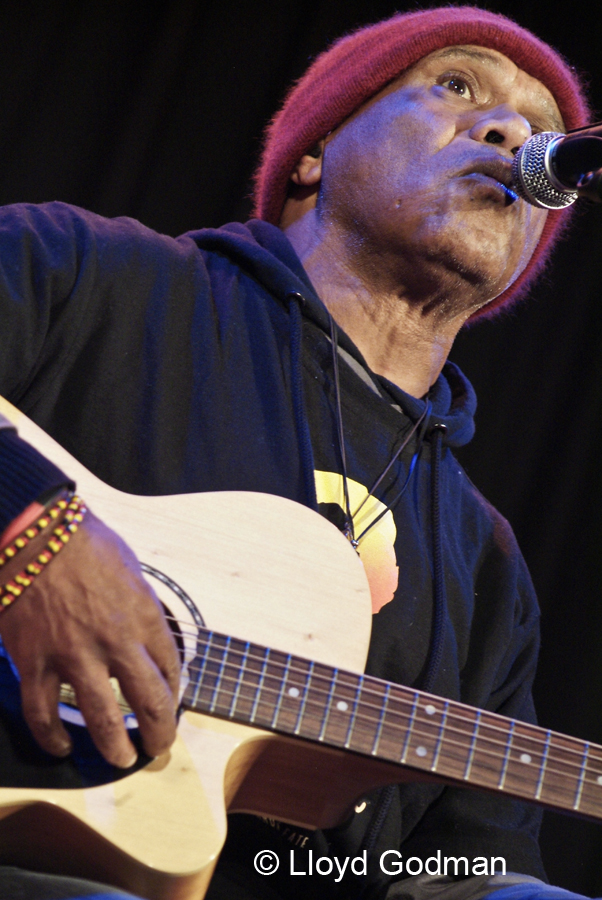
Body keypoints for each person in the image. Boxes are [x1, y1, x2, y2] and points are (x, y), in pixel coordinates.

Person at [0, 6, 594, 900]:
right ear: (313, 153)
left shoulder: (487, 570)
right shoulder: (85, 273)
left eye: (545, 133)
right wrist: (32, 530)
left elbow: (461, 867)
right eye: (457, 86)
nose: (511, 131)